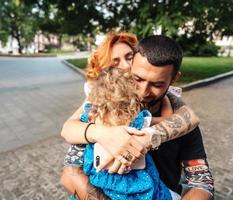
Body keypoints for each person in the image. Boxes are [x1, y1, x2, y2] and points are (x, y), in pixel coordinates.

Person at [61, 34, 214, 199]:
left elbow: (202, 182)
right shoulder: (104, 112)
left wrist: (149, 137)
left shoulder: (181, 118)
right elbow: (69, 173)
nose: (143, 91)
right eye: (138, 79)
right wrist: (102, 133)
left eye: (157, 84)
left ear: (174, 79)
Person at [81, 67, 181, 200]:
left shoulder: (90, 115)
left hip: (100, 179)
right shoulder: (137, 120)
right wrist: (166, 96)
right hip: (136, 181)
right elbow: (167, 119)